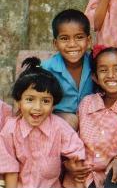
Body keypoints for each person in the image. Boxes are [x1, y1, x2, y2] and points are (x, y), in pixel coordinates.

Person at [65, 45, 117, 188]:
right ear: (95, 77)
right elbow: (74, 139)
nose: (111, 75)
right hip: (82, 174)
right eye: (103, 70)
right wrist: (68, 163)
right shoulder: (87, 103)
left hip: (111, 172)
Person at [0, 57, 85, 188]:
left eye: (45, 101)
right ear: (18, 102)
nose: (37, 107)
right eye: (30, 99)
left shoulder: (59, 126)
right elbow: (10, 167)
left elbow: (76, 151)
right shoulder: (10, 129)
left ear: (53, 105)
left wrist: (73, 166)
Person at [42, 9, 93, 130]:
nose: (72, 44)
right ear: (55, 43)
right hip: (56, 120)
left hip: (90, 120)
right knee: (71, 121)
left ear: (89, 41)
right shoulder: (46, 69)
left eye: (79, 37)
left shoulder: (96, 65)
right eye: (65, 38)